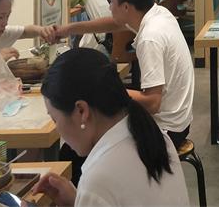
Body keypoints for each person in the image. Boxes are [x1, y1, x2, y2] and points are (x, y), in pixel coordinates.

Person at [55, 0, 195, 149]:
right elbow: (113, 23)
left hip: (166, 131)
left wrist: (107, 90)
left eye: (112, 2)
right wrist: (68, 29)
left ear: (126, 7)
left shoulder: (150, 38)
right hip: (180, 120)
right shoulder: (158, 13)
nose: (109, 7)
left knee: (81, 142)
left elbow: (153, 103)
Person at [35, 48, 189, 207]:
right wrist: (79, 200)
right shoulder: (156, 137)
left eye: (55, 119)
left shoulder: (98, 179)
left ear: (81, 111)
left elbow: (108, 189)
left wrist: (87, 198)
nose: (58, 130)